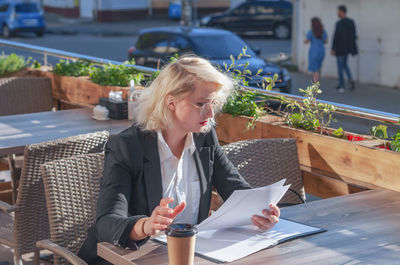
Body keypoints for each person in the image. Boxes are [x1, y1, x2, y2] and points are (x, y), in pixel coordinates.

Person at [78, 56, 281, 264]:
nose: (210, 113)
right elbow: (105, 223)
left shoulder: (204, 137)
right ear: (171, 102)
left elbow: (235, 188)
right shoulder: (128, 147)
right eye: (201, 103)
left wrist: (261, 210)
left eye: (213, 103)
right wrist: (146, 225)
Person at [331, 4, 358, 93]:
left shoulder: (339, 23)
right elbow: (354, 36)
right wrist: (352, 48)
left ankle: (341, 86)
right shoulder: (351, 22)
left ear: (342, 12)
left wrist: (333, 48)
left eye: (338, 11)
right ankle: (350, 80)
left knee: (340, 67)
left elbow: (335, 37)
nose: (337, 13)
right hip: (347, 49)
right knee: (345, 65)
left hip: (340, 49)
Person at [304, 17, 328, 82]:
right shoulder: (323, 31)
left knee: (314, 70)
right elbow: (326, 41)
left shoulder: (311, 32)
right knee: (318, 68)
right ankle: (317, 82)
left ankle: (315, 85)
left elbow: (306, 41)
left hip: (314, 51)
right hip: (321, 51)